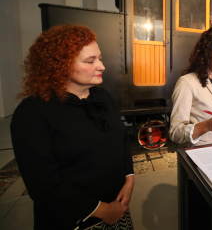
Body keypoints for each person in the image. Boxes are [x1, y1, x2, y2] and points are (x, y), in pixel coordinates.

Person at [10, 25, 134, 230]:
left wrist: (129, 179)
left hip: (117, 209)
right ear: (59, 65)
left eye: (100, 58)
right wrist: (102, 210)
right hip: (72, 219)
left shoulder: (102, 97)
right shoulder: (33, 112)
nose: (101, 66)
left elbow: (121, 139)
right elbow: (43, 183)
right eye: (90, 61)